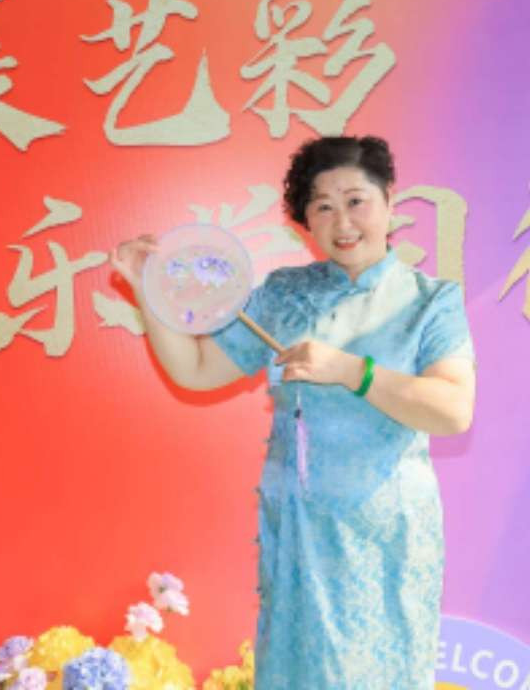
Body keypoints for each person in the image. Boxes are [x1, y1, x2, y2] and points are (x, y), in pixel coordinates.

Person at [110, 136, 475, 689]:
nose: (342, 221)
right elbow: (197, 368)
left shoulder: (431, 300)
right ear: (305, 222)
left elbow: (452, 409)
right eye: (322, 207)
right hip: (300, 538)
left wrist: (352, 371)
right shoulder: (283, 295)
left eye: (356, 200)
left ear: (389, 200)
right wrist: (149, 293)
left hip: (387, 543)